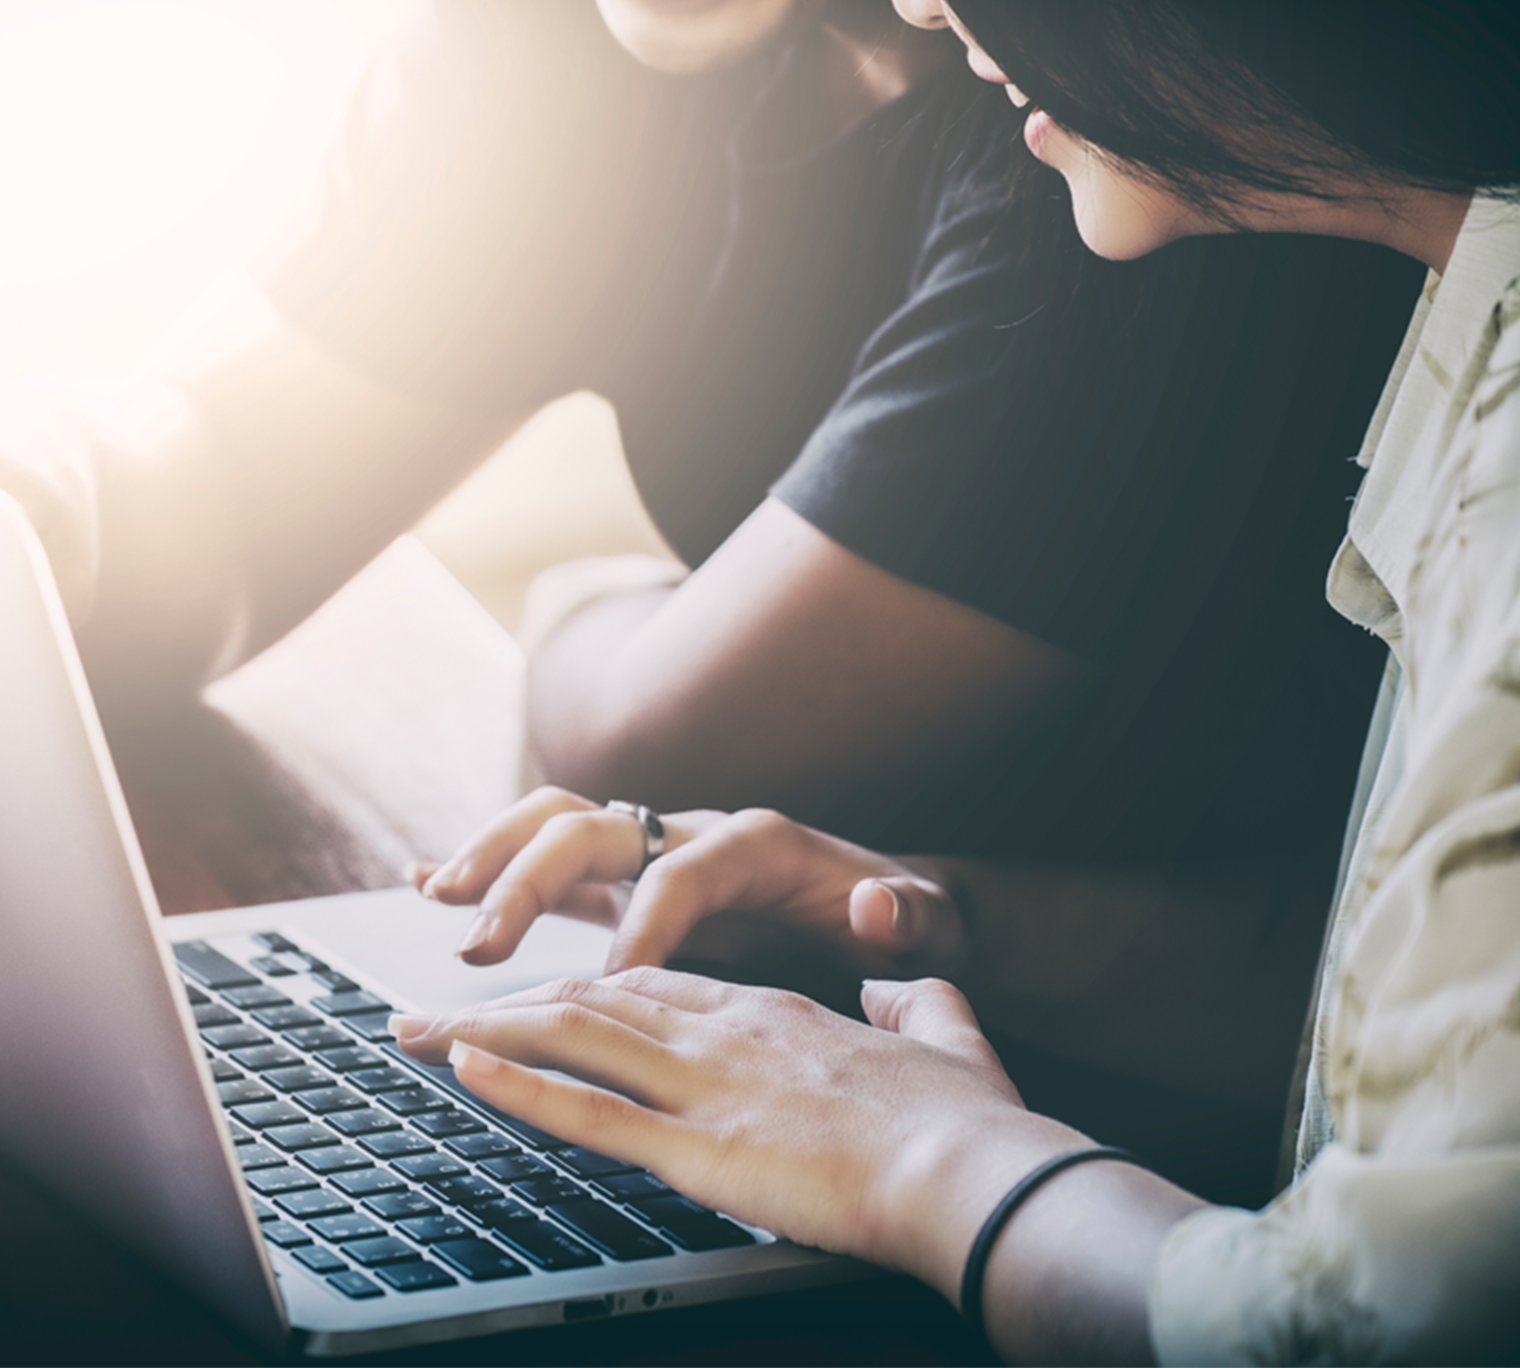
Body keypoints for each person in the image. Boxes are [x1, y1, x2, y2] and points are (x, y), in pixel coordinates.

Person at [390, 1, 1520, 1361]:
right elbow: (1391, 1029)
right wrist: (933, 919)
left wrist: (925, 1158)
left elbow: (1365, 1333)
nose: (918, 5)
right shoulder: (1476, 305)